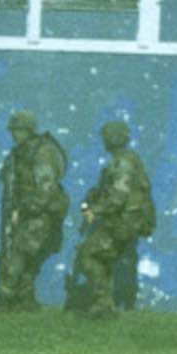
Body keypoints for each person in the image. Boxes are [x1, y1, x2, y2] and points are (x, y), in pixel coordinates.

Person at [68, 118, 156, 316]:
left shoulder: (122, 163)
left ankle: (103, 305)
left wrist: (94, 210)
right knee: (103, 257)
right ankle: (106, 304)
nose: (104, 140)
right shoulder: (128, 159)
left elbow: (117, 197)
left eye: (107, 136)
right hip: (128, 222)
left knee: (88, 253)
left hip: (124, 222)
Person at [0, 110, 67, 311]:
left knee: (19, 252)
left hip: (41, 213)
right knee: (23, 254)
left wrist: (22, 210)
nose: (15, 134)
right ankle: (26, 299)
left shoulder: (42, 152)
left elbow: (46, 190)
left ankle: (4, 298)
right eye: (13, 130)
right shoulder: (19, 153)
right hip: (25, 211)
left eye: (19, 130)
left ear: (29, 130)